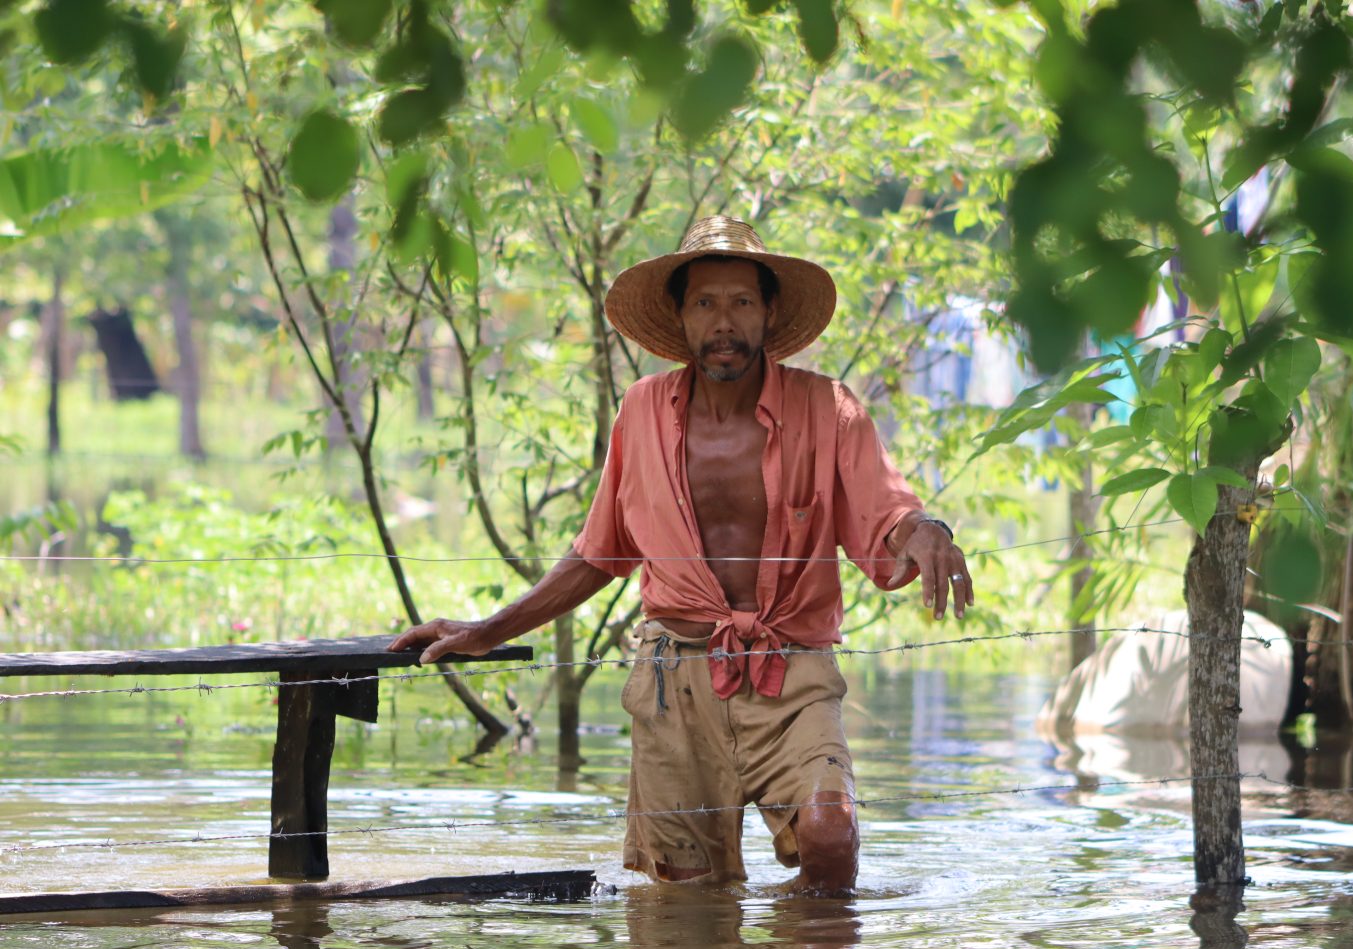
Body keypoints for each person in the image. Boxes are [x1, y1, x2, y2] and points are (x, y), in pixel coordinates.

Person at [389, 216, 973, 894]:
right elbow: (599, 552)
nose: (723, 321)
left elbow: (887, 510)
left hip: (793, 670)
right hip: (675, 680)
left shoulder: (827, 408)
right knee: (688, 903)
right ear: (681, 317)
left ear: (770, 312)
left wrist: (926, 529)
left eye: (742, 301)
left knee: (830, 834)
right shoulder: (641, 412)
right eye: (705, 303)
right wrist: (486, 630)